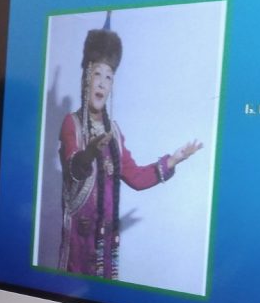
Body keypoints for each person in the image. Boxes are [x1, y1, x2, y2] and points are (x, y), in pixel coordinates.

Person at [58, 14, 202, 279]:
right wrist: (90, 152)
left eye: (109, 77)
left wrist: (173, 160)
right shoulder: (72, 124)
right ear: (86, 77)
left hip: (105, 243)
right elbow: (73, 167)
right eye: (97, 74)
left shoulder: (114, 132)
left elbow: (135, 177)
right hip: (79, 242)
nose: (102, 82)